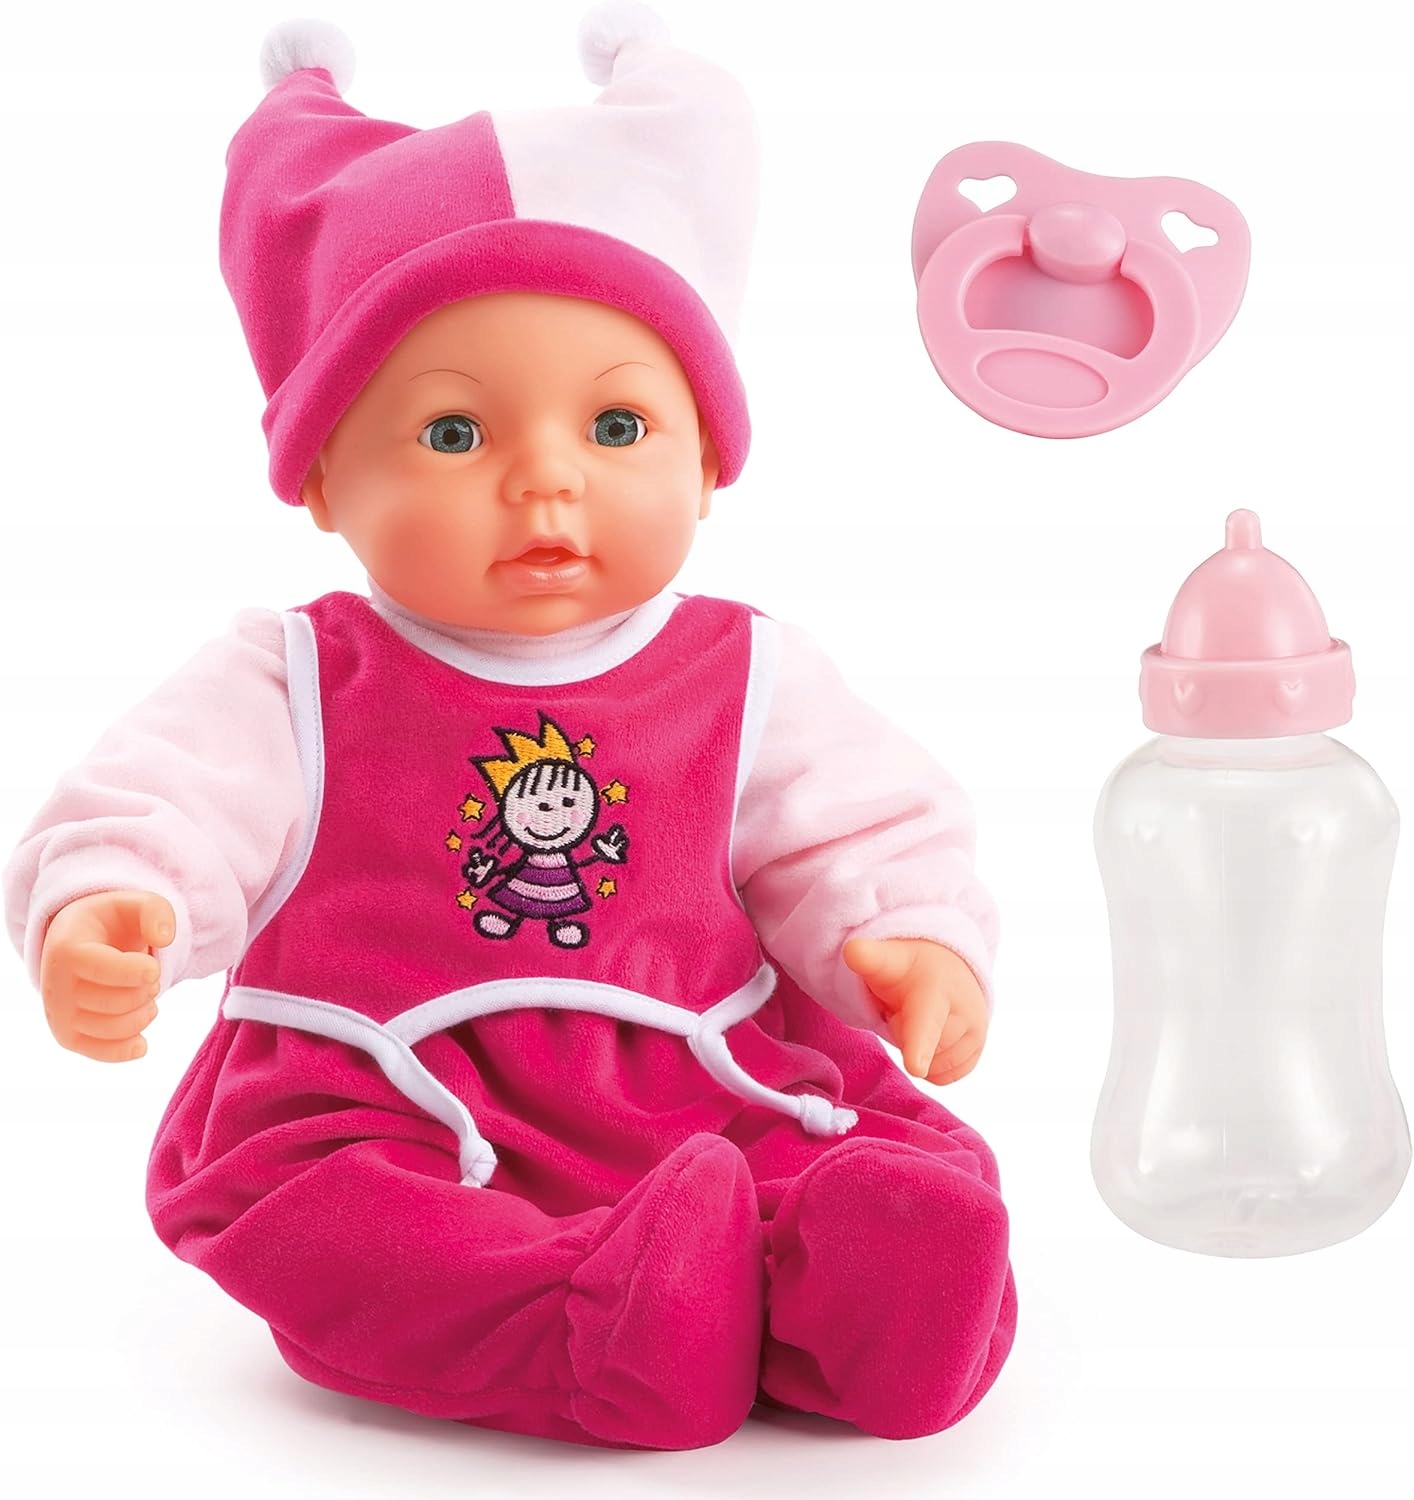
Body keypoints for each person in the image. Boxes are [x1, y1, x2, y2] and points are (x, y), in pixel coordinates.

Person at [2, 4, 1015, 1451]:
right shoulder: (297, 675)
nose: (547, 484)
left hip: (694, 1076)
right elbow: (166, 799)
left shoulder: (748, 671)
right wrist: (116, 905)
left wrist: (901, 936)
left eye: (616, 429)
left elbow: (857, 823)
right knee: (333, 1222)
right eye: (455, 433)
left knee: (857, 1154)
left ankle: (858, 1304)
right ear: (322, 480)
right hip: (379, 1089)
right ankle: (590, 1330)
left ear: (707, 462)